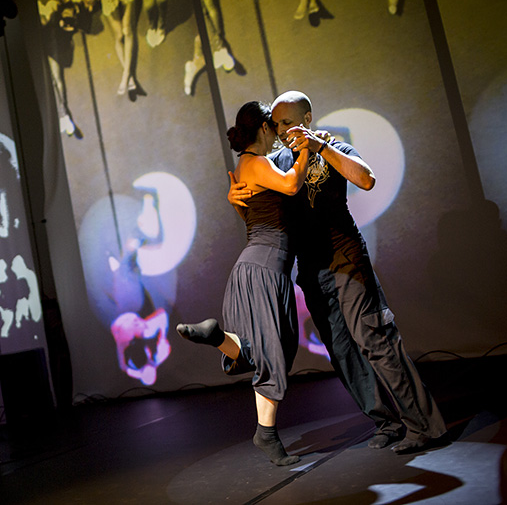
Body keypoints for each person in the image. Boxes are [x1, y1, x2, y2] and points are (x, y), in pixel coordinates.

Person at [228, 91, 447, 454]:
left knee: (376, 341)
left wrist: (320, 147)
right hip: (312, 271)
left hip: (346, 261)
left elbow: (366, 179)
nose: (282, 131)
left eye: (288, 123)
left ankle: (425, 426)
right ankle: (386, 422)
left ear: (307, 118)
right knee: (343, 352)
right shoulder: (276, 161)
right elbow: (259, 207)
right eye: (276, 125)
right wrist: (235, 199)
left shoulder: (333, 147)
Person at [177, 101, 309, 466]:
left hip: (253, 268)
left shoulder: (246, 167)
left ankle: (217, 336)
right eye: (275, 126)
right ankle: (266, 434)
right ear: (264, 128)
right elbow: (291, 184)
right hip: (265, 268)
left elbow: (255, 210)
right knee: (274, 352)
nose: (278, 133)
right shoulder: (256, 162)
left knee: (260, 350)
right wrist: (306, 151)